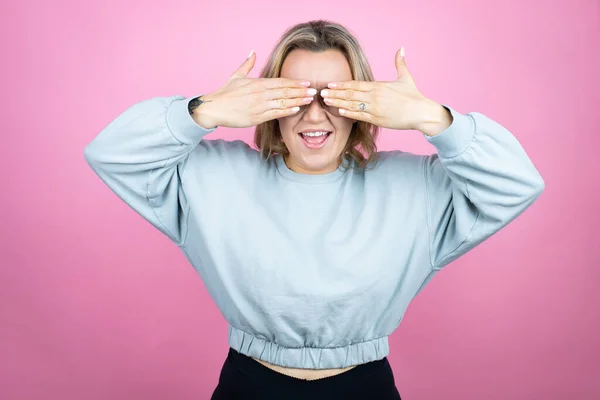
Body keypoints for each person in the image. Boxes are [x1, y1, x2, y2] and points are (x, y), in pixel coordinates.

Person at [84, 19, 544, 400]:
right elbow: (111, 153)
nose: (315, 114)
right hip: (249, 386)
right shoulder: (212, 177)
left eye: (335, 96)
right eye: (296, 95)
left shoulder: (417, 188)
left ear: (365, 105)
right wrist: (205, 110)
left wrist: (433, 118)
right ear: (268, 104)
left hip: (365, 388)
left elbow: (517, 184)